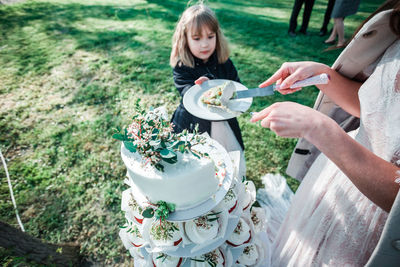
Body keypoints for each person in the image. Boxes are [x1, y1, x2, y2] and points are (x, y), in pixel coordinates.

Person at [251, 1, 400, 265]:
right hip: (335, 176)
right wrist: (323, 74)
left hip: (374, 225)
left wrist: (319, 128)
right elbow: (376, 107)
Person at [169, 4, 245, 175]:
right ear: (185, 38)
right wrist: (202, 88)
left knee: (229, 158)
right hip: (194, 124)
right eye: (196, 38)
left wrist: (236, 98)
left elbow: (236, 87)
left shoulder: (224, 62)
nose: (205, 44)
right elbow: (186, 92)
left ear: (217, 36)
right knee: (200, 164)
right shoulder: (182, 66)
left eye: (210, 36)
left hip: (223, 120)